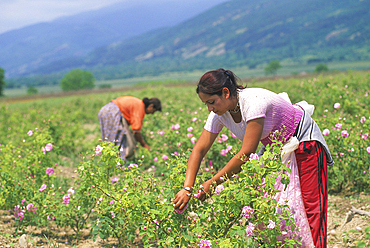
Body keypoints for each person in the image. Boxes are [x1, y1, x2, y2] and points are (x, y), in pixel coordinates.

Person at [174, 68, 333, 248]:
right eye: (206, 104)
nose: (210, 108)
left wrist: (213, 183)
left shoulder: (253, 101)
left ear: (226, 93)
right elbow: (199, 150)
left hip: (304, 143)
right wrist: (187, 188)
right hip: (276, 148)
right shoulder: (218, 114)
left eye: (212, 102)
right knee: (272, 207)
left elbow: (247, 152)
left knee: (309, 206)